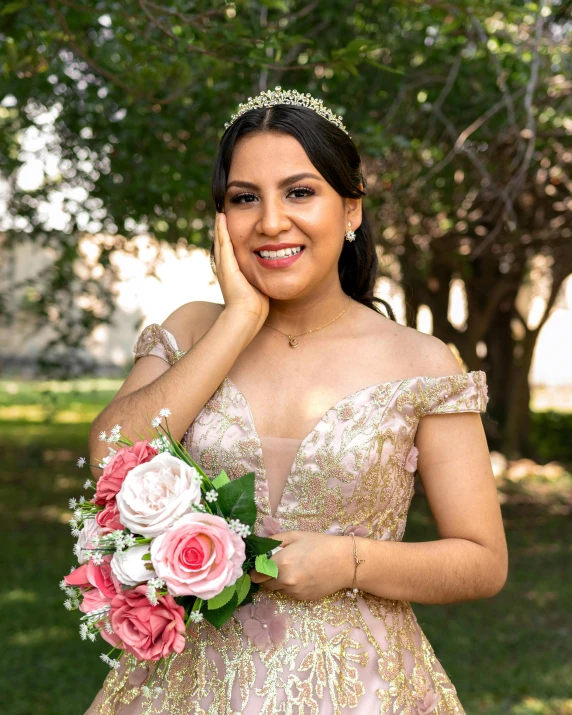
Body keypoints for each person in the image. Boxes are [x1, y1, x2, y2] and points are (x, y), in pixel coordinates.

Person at [85, 87, 507, 715]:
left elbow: (482, 562)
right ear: (221, 219)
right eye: (244, 198)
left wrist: (351, 562)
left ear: (352, 210)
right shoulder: (195, 329)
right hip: (188, 685)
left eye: (300, 192)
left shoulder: (421, 363)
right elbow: (107, 457)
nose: (271, 221)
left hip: (362, 688)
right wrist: (239, 320)